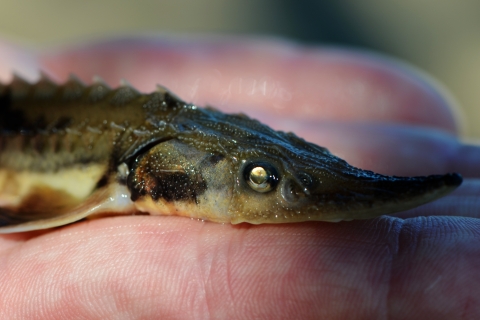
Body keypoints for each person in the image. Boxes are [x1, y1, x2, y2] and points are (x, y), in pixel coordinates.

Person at [0, 38, 478, 319]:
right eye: (259, 179)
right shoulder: (120, 177)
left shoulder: (158, 154)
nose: (265, 184)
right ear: (148, 171)